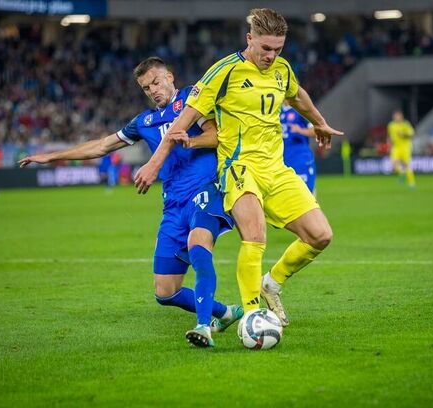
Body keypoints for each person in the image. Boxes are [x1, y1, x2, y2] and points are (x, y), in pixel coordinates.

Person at [134, 9, 343, 327]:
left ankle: (271, 284)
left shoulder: (281, 70)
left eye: (278, 49)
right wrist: (154, 162)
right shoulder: (223, 72)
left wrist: (320, 122)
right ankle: (252, 315)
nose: (271, 56)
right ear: (250, 39)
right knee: (255, 237)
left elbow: (297, 96)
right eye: (265, 49)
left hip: (277, 169)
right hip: (238, 168)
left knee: (321, 236)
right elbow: (183, 121)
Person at [19, 57, 242, 348]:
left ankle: (203, 327)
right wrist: (51, 156)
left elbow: (217, 135)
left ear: (170, 77)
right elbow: (102, 146)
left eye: (156, 82)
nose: (153, 90)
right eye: (146, 87)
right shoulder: (144, 122)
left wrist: (189, 140)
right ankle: (224, 312)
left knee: (199, 247)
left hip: (206, 190)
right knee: (165, 292)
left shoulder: (191, 100)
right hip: (173, 206)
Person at [280, 100, 317, 193]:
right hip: (282, 158)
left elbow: (316, 131)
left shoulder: (300, 110)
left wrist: (300, 130)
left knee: (306, 193)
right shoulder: (276, 111)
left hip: (300, 157)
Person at [387, 110, 415, 189]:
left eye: (398, 116)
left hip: (405, 147)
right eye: (395, 116)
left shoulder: (405, 124)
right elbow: (390, 136)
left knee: (407, 165)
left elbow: (412, 134)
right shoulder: (391, 125)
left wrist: (403, 134)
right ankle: (402, 173)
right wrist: (389, 144)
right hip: (396, 147)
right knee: (394, 164)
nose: (396, 118)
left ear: (401, 117)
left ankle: (411, 183)